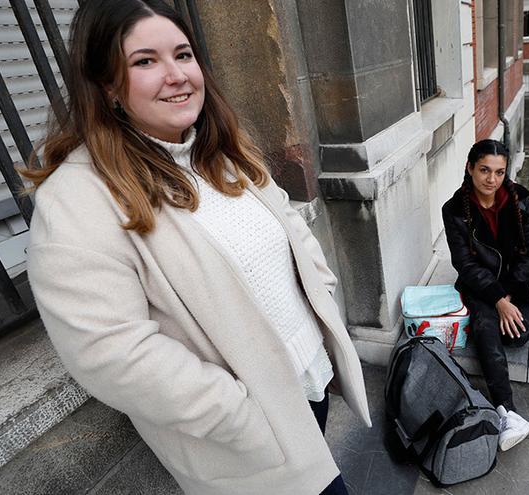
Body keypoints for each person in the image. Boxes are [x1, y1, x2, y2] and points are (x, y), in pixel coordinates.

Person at [21, 1, 370, 494]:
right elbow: (111, 351)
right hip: (249, 437)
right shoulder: (77, 198)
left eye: (183, 54)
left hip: (308, 387)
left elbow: (293, 228)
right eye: (145, 61)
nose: (177, 75)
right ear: (107, 85)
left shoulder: (220, 152)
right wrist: (240, 414)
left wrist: (322, 303)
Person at [441, 139, 529, 451]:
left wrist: (509, 295)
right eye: (485, 170)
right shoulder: (454, 211)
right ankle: (506, 410)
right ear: (470, 168)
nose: (492, 179)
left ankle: (491, 317)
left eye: (499, 172)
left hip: (515, 285)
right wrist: (497, 300)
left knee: (517, 336)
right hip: (479, 287)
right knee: (486, 327)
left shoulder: (520, 202)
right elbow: (466, 264)